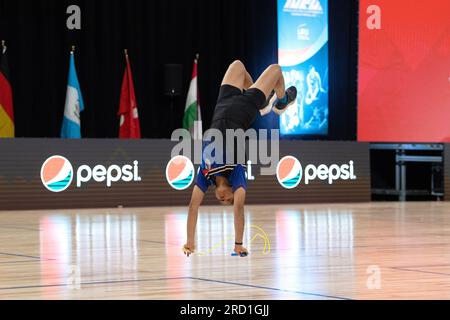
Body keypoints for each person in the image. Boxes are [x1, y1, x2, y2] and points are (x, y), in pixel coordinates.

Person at [183, 60, 297, 257]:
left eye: (222, 201)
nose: (224, 199)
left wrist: (190, 241)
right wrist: (238, 244)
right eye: (229, 199)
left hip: (223, 102)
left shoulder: (205, 174)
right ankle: (281, 101)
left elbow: (193, 207)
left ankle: (263, 103)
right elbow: (239, 209)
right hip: (244, 107)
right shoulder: (236, 173)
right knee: (276, 70)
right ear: (233, 192)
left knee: (237, 65)